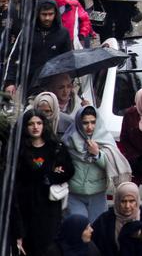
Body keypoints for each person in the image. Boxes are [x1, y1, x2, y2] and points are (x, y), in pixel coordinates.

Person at [13, 110, 76, 256]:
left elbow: (68, 170)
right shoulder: (20, 150)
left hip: (49, 206)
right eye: (31, 124)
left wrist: (52, 176)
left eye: (39, 123)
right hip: (26, 206)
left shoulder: (55, 147)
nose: (35, 127)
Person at [90, 182, 142, 256]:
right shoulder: (105, 220)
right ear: (117, 201)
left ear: (137, 201)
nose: (127, 206)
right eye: (123, 201)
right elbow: (92, 242)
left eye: (132, 201)